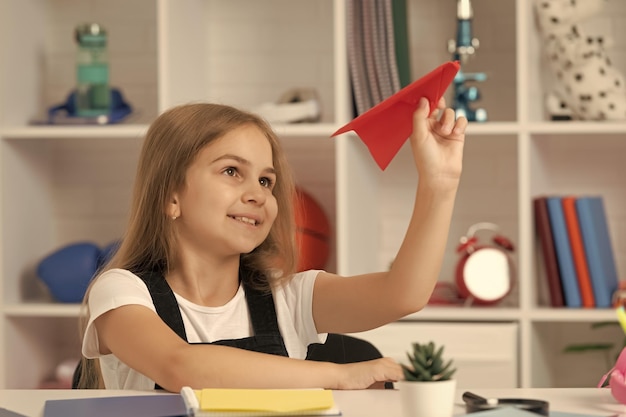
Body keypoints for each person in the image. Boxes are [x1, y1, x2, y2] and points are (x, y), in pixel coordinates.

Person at [76, 96, 468, 392]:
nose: (258, 194)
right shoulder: (121, 293)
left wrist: (440, 184)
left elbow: (403, 295)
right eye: (232, 171)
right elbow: (181, 366)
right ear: (171, 196)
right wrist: (338, 376)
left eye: (266, 181)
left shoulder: (289, 298)